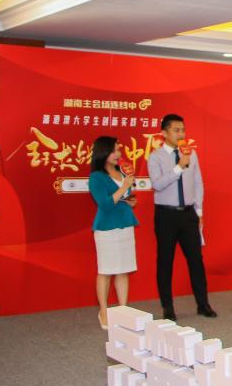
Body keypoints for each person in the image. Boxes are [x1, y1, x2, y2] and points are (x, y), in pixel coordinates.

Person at [148, 113, 216, 321]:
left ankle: (203, 304)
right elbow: (157, 184)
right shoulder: (156, 157)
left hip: (188, 214)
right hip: (166, 215)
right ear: (164, 133)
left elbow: (198, 183)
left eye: (183, 130)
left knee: (196, 260)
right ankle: (168, 307)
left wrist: (199, 211)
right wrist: (179, 167)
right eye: (176, 130)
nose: (181, 134)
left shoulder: (191, 154)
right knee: (165, 261)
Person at [88, 136, 138, 330]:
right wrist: (124, 187)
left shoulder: (121, 172)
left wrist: (130, 200)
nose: (118, 154)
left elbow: (123, 198)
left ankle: (123, 311)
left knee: (123, 270)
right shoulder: (96, 177)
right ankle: (103, 311)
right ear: (103, 152)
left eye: (119, 150)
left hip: (125, 224)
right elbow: (105, 204)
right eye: (114, 150)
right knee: (106, 271)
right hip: (107, 229)